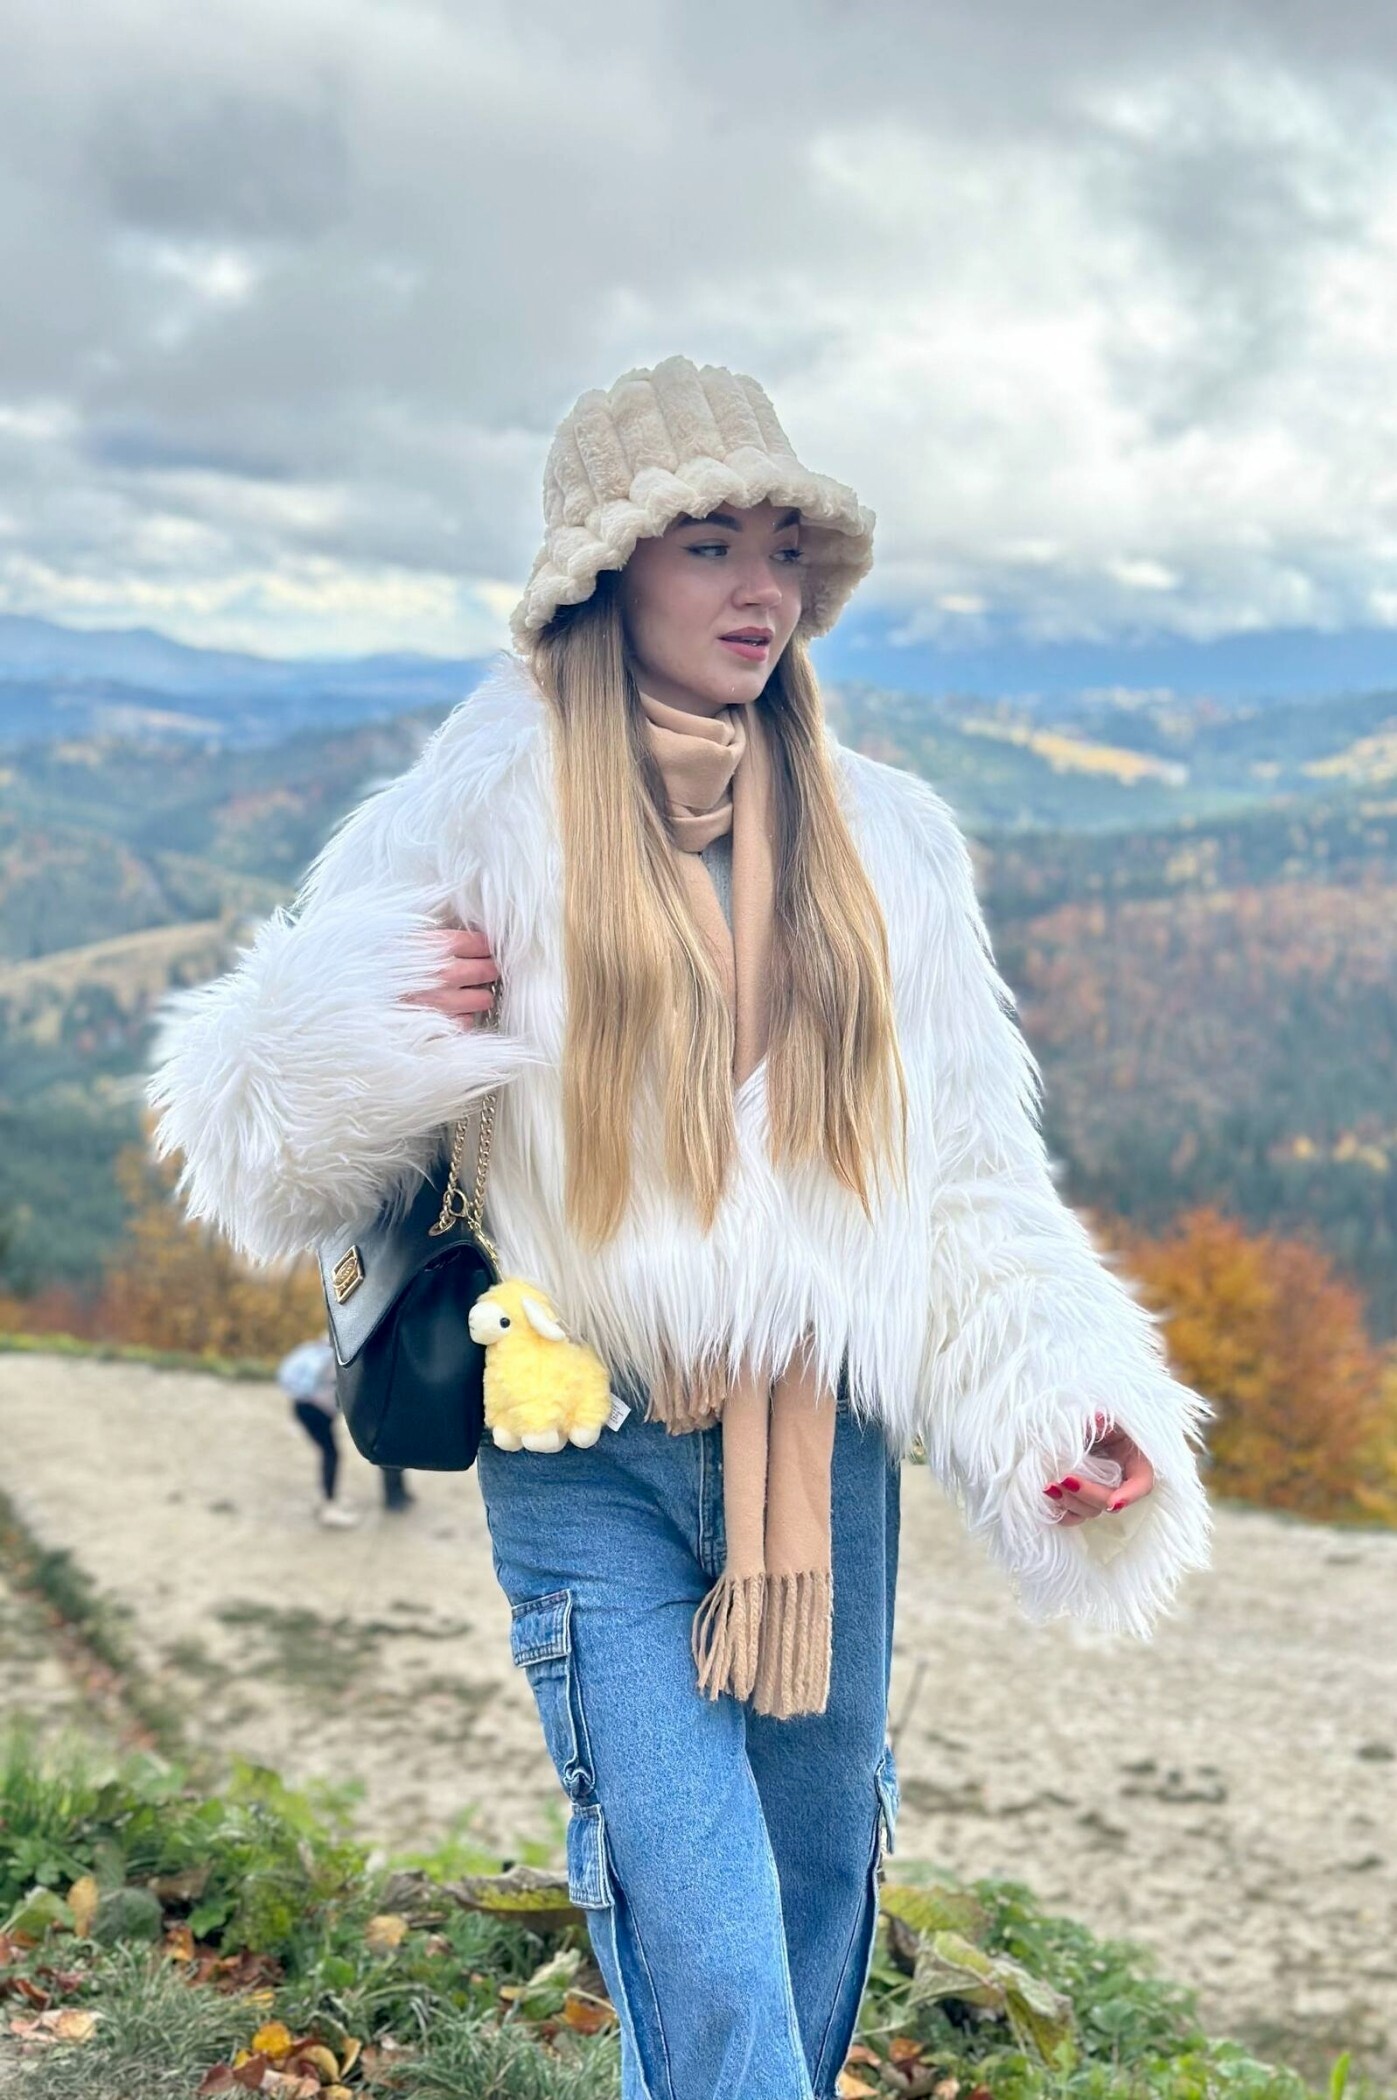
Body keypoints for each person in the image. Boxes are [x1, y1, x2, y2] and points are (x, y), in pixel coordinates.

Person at [146, 355, 1211, 2100]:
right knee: (702, 1940)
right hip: (584, 1441)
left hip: (819, 1458)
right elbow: (262, 1158)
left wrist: (1065, 1407)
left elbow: (959, 1182)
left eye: (782, 551)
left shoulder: (888, 848)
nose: (757, 590)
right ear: (604, 573)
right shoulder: (470, 822)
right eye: (708, 545)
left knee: (806, 1903)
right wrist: (354, 1024)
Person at [275, 1331, 414, 1526]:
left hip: (304, 1407)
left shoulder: (319, 1350)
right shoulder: (337, 1361)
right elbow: (348, 1392)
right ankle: (328, 1506)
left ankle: (329, 1500)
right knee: (331, 1454)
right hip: (316, 1412)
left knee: (329, 1453)